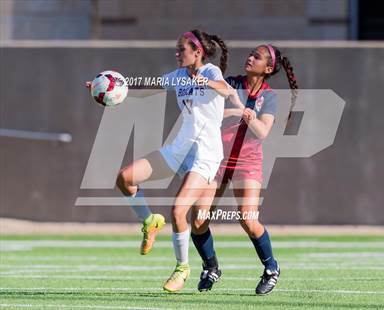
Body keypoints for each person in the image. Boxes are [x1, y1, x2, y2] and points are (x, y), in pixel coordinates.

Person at [87, 29, 229, 293]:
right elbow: (148, 85)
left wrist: (205, 82)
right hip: (178, 150)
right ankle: (150, 221)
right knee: (125, 178)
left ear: (197, 52)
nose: (177, 54)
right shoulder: (178, 76)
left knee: (183, 213)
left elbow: (225, 89)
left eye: (181, 49)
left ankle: (182, 268)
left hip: (206, 154)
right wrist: (109, 87)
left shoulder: (210, 72)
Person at [190, 44, 298, 295]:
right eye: (251, 54)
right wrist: (237, 107)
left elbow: (262, 131)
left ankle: (271, 268)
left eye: (256, 57)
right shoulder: (230, 83)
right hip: (217, 158)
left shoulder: (269, 97)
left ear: (268, 68)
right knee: (198, 219)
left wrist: (246, 113)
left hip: (247, 162)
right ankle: (211, 267)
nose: (250, 58)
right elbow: (211, 114)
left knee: (248, 220)